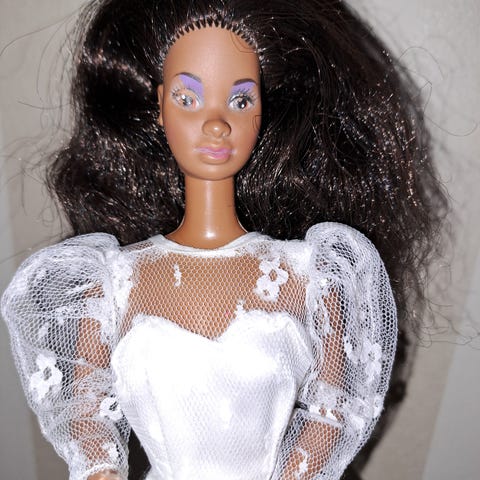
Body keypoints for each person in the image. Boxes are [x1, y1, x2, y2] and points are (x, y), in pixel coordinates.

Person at [1, 1, 446, 479]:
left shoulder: (313, 277)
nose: (216, 124)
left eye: (240, 101)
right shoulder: (107, 286)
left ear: (262, 111)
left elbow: (332, 417)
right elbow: (89, 433)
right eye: (188, 98)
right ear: (160, 107)